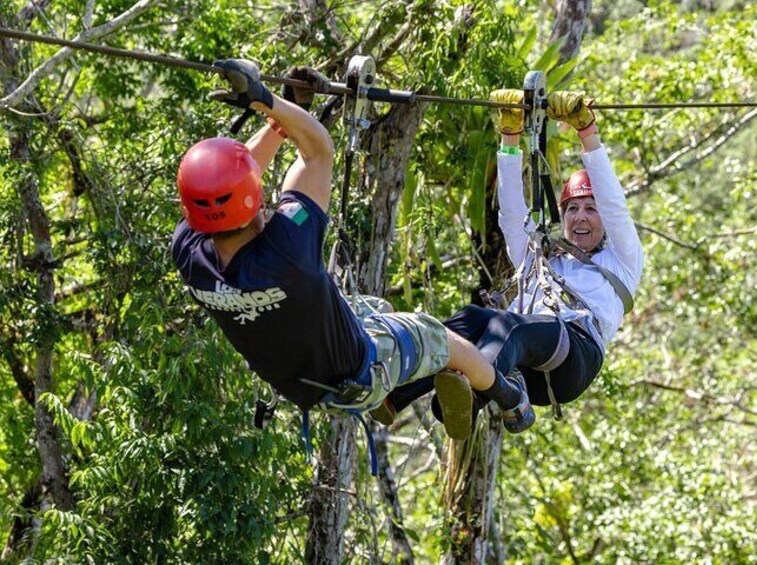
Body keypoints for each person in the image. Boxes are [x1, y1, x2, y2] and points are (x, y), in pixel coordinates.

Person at [170, 60, 534, 442]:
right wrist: (267, 100)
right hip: (361, 372)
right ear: (253, 199)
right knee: (440, 337)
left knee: (373, 309)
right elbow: (316, 152)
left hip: (308, 388)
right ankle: (511, 399)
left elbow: (230, 182)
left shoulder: (190, 254)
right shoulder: (284, 251)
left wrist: (280, 119)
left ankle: (395, 393)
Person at [371, 89, 643, 427]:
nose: (580, 217)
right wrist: (509, 138)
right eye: (572, 209)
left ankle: (496, 399)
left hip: (575, 357)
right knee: (470, 320)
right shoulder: (543, 261)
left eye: (590, 208)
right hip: (524, 365)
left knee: (506, 327)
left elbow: (614, 205)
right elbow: (513, 215)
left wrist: (587, 134)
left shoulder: (621, 260)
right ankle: (393, 394)